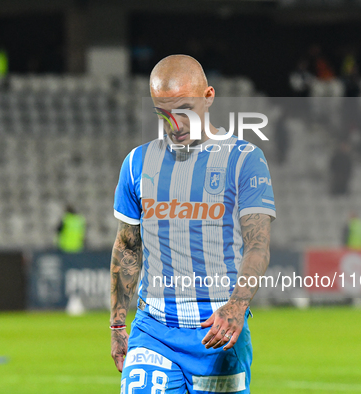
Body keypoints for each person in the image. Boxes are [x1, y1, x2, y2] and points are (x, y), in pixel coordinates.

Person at [110, 55, 276, 394]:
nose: (175, 123)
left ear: (209, 96)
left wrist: (237, 306)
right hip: (154, 331)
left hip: (218, 334)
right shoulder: (137, 164)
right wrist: (116, 322)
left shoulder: (244, 159)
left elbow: (257, 245)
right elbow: (128, 246)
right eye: (163, 113)